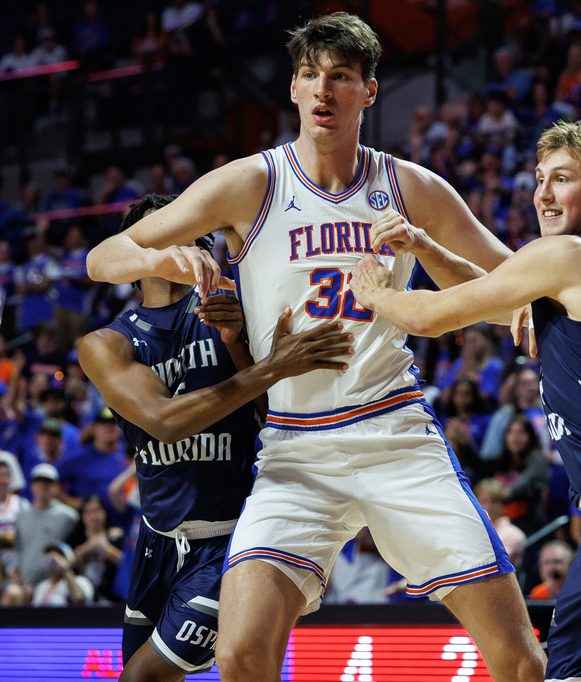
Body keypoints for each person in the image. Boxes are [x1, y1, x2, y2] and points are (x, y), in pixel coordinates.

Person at [86, 14, 545, 682]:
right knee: (240, 654)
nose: (323, 88)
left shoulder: (410, 186)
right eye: (309, 75)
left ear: (369, 91)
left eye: (340, 76)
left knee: (519, 660)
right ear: (294, 91)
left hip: (395, 435)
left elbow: (512, 288)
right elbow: (105, 256)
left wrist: (429, 251)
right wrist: (169, 259)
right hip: (295, 446)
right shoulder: (252, 181)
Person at [350, 119, 581, 681]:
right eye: (539, 178)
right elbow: (491, 297)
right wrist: (424, 246)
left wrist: (377, 293)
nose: (543, 192)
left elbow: (431, 316)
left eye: (562, 179)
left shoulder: (571, 256)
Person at [79, 193, 353, 680]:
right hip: (157, 537)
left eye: (187, 229)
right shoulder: (106, 343)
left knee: (142, 678)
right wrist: (271, 367)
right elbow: (162, 421)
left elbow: (276, 415)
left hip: (233, 535)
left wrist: (242, 346)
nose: (176, 237)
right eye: (159, 229)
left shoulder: (236, 309)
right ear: (133, 253)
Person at [12, 463, 79, 587]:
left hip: (52, 582)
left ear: (56, 487)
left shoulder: (68, 517)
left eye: (48, 482)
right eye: (39, 482)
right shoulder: (21, 516)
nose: (43, 486)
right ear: (32, 486)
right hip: (25, 583)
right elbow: (18, 549)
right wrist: (18, 578)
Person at [32, 541, 94, 606]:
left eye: (59, 555)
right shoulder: (41, 586)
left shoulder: (81, 581)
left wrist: (65, 568)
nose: (53, 559)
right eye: (49, 555)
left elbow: (78, 600)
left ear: (69, 560)